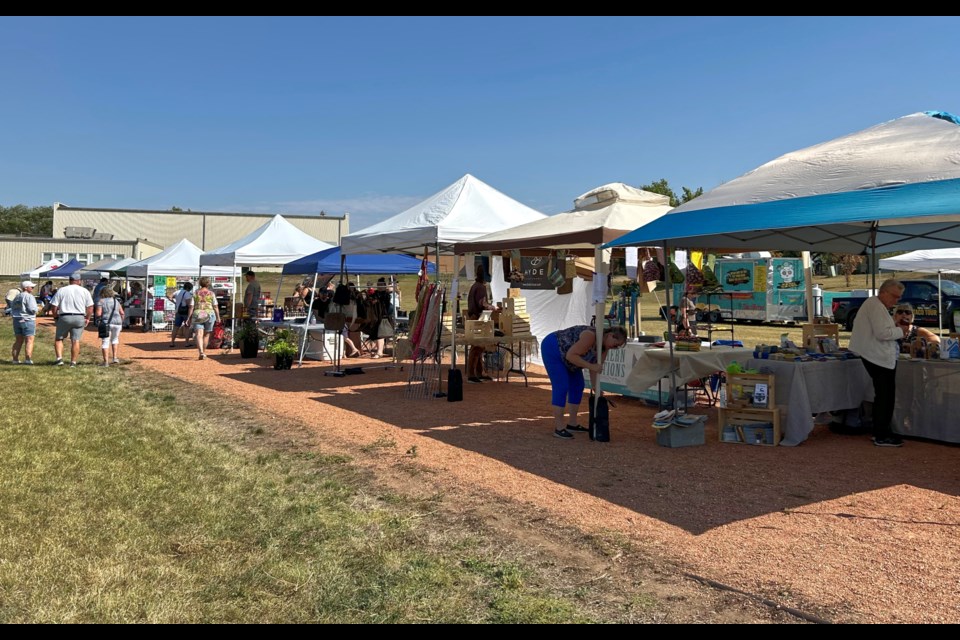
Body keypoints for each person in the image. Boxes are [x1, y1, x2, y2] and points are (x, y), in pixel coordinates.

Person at [849, 279, 910, 447]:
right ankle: (881, 434)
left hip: (877, 356)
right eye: (894, 296)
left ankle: (881, 431)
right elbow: (882, 333)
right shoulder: (875, 305)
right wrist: (901, 331)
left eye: (899, 297)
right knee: (885, 395)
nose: (896, 300)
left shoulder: (876, 306)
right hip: (877, 357)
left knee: (884, 395)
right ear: (883, 292)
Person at [541, 324, 628, 439]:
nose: (614, 348)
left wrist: (595, 386)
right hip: (553, 348)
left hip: (570, 356)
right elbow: (571, 356)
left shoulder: (604, 348)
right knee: (561, 386)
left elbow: (595, 367)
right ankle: (559, 427)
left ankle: (572, 423)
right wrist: (591, 366)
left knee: (578, 386)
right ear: (610, 335)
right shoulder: (590, 336)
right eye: (616, 344)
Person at [50, 272, 95, 367]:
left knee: (59, 339)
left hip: (65, 316)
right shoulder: (84, 291)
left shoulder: (62, 290)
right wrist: (87, 318)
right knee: (75, 340)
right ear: (79, 281)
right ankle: (73, 362)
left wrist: (55, 317)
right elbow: (90, 307)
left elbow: (54, 306)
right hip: (79, 317)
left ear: (70, 280)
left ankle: (59, 359)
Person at [466, 265, 498, 383]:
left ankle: (479, 372)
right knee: (476, 347)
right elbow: (482, 303)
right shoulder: (480, 287)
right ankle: (471, 374)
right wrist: (492, 307)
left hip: (474, 318)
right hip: (477, 318)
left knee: (479, 347)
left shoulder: (475, 286)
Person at [190, 277, 220, 360]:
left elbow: (191, 306)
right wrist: (218, 317)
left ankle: (201, 352)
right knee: (206, 334)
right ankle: (204, 352)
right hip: (209, 313)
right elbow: (215, 306)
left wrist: (189, 317)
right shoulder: (211, 293)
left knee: (199, 334)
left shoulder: (195, 293)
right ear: (208, 284)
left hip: (198, 313)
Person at [95, 285, 125, 366]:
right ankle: (115, 357)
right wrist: (121, 321)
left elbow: (98, 313)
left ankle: (106, 362)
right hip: (118, 323)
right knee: (115, 339)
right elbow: (122, 313)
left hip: (106, 322)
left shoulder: (101, 301)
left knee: (105, 341)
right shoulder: (116, 301)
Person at [11, 280, 38, 364]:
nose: (33, 288)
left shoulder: (17, 296)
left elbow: (12, 307)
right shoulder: (29, 296)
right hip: (27, 319)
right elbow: (32, 309)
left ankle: (15, 359)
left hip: (16, 319)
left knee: (18, 340)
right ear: (26, 288)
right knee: (29, 339)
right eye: (32, 287)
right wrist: (38, 310)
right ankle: (28, 359)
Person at [169, 282, 195, 348]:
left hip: (178, 311)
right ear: (189, 288)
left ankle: (172, 342)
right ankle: (186, 343)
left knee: (176, 327)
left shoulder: (177, 292)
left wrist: (174, 302)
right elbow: (189, 305)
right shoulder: (188, 294)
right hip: (186, 312)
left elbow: (169, 296)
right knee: (187, 327)